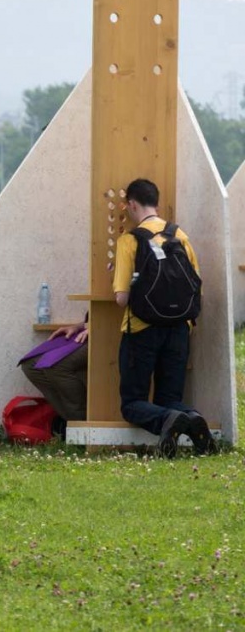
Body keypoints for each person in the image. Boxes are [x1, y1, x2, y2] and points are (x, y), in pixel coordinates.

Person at [114, 178, 215, 457]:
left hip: (141, 330)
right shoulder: (180, 236)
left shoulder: (129, 240)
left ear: (132, 205)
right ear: (156, 203)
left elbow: (121, 297)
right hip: (179, 330)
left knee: (132, 402)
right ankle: (192, 418)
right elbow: (197, 287)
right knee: (170, 398)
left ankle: (166, 420)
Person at [18, 320, 88, 437]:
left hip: (109, 334)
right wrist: (78, 326)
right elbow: (98, 310)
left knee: (55, 366)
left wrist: (95, 328)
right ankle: (69, 421)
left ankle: (81, 427)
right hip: (89, 330)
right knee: (30, 366)